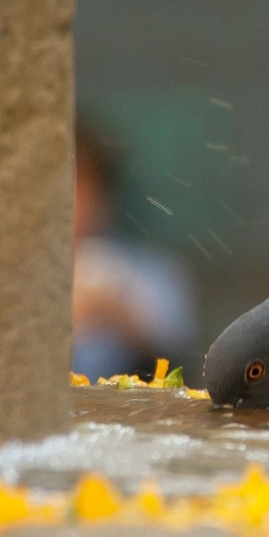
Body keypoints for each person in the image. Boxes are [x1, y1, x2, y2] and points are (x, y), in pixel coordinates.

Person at [72, 122, 196, 380]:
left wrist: (119, 313)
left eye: (83, 185)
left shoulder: (151, 271)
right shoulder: (11, 273)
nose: (73, 199)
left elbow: (179, 355)